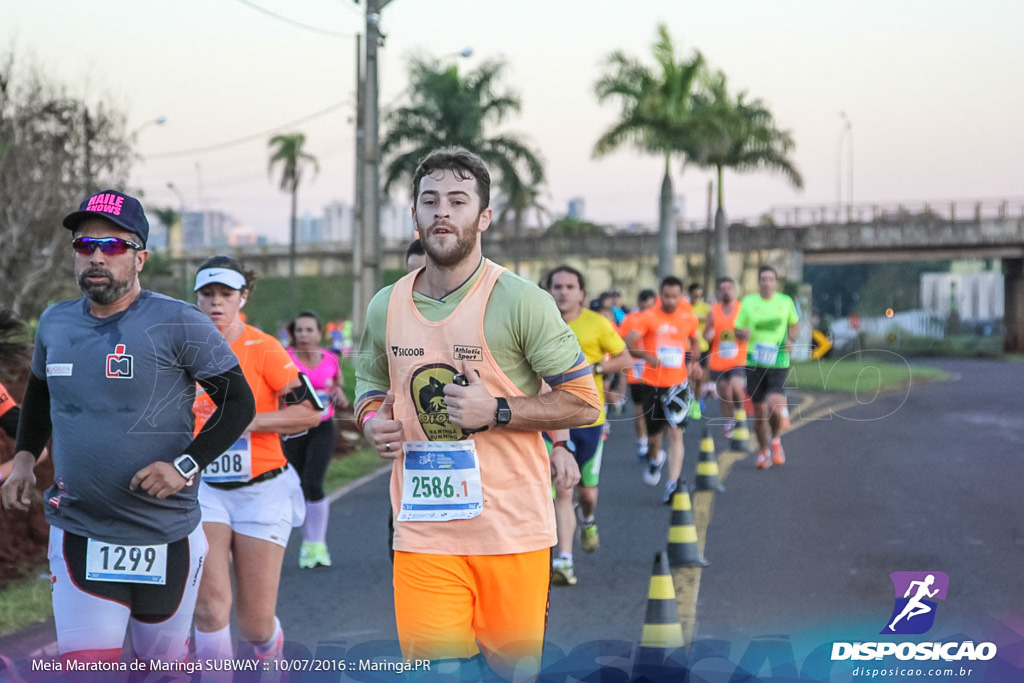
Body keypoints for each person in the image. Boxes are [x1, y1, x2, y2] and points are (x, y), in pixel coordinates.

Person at [354, 146, 600, 677]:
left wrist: (499, 411)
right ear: (415, 216)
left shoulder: (521, 301)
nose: (442, 212)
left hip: (511, 531)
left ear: (483, 217)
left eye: (458, 201)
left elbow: (584, 400)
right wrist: (373, 420)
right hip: (422, 530)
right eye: (430, 200)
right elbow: (370, 385)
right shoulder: (385, 305)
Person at [0, 190, 254, 666]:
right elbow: (38, 398)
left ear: (140, 258)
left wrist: (185, 465)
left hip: (165, 535)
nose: (96, 256)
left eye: (113, 246)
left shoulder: (179, 321)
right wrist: (22, 460)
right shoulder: (55, 323)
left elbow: (238, 403)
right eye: (84, 246)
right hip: (81, 530)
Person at [190, 256, 322, 663]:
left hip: (262, 490)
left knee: (255, 625)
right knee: (211, 608)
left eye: (225, 295)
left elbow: (310, 412)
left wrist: (244, 421)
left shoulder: (262, 347)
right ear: (196, 298)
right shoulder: (181, 350)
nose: (216, 303)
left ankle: (271, 653)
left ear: (242, 297)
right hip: (205, 490)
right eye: (207, 294)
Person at [543, 265, 631, 586]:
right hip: (550, 419)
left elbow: (625, 358)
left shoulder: (597, 324)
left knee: (587, 493)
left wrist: (595, 366)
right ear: (548, 289)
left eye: (570, 286)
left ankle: (588, 519)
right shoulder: (539, 322)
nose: (563, 292)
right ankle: (563, 560)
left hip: (589, 418)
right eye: (557, 286)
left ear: (582, 293)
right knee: (562, 488)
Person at [624, 276, 703, 503]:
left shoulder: (687, 317)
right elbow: (628, 342)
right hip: (652, 384)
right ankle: (655, 458)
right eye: (667, 296)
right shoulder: (649, 317)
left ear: (680, 296)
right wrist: (646, 355)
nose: (671, 300)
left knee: (676, 433)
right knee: (654, 438)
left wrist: (694, 363)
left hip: (678, 384)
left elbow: (695, 341)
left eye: (675, 296)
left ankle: (673, 483)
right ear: (661, 294)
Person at [283, 310, 350, 569]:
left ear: (319, 333)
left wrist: (337, 394)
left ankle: (317, 544)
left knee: (314, 481)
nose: (303, 335)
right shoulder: (285, 360)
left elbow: (336, 386)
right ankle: (307, 546)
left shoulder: (330, 359)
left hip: (322, 426)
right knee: (298, 485)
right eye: (299, 330)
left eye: (309, 330)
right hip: (294, 428)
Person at [734, 265, 800, 470]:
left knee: (774, 405)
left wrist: (791, 339)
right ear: (758, 282)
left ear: (775, 282)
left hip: (778, 361)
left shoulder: (785, 302)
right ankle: (763, 451)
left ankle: (776, 441)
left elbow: (794, 324)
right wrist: (741, 334)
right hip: (754, 362)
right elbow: (737, 328)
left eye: (770, 279)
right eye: (763, 279)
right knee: (760, 412)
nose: (767, 283)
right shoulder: (748, 303)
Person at [704, 277, 748, 439]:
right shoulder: (713, 311)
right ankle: (729, 421)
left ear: (734, 290)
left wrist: (744, 334)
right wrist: (707, 335)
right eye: (723, 289)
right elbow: (707, 332)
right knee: (723, 392)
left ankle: (739, 411)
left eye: (729, 288)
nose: (726, 291)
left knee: (736, 386)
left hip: (738, 357)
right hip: (719, 358)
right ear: (718, 292)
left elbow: (748, 331)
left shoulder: (741, 309)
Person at [618, 289, 657, 461]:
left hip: (657, 370)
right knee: (640, 408)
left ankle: (653, 441)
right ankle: (642, 440)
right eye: (645, 305)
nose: (648, 309)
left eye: (651, 306)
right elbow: (621, 341)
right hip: (637, 369)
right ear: (639, 303)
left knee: (655, 409)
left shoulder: (659, 318)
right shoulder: (630, 319)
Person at [688, 282, 712, 411]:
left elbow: (710, 320)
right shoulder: (685, 307)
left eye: (699, 295)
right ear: (690, 294)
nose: (697, 297)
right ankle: (689, 398)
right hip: (687, 347)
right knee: (688, 375)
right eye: (695, 295)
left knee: (699, 376)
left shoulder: (706, 307)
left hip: (702, 346)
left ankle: (697, 401)